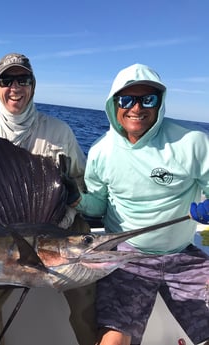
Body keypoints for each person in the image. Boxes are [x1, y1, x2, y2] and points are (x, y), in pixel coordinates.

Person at [73, 63, 209, 345]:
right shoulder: (100, 152)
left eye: (148, 99)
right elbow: (97, 206)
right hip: (126, 258)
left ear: (160, 103)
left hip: (184, 257)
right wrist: (75, 199)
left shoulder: (194, 141)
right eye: (127, 99)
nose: (136, 108)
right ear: (114, 104)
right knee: (113, 339)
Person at [0, 52, 96, 345]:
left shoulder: (60, 131)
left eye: (22, 79)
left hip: (63, 232)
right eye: (6, 80)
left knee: (90, 301)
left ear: (33, 85)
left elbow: (83, 185)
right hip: (8, 242)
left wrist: (76, 194)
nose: (15, 88)